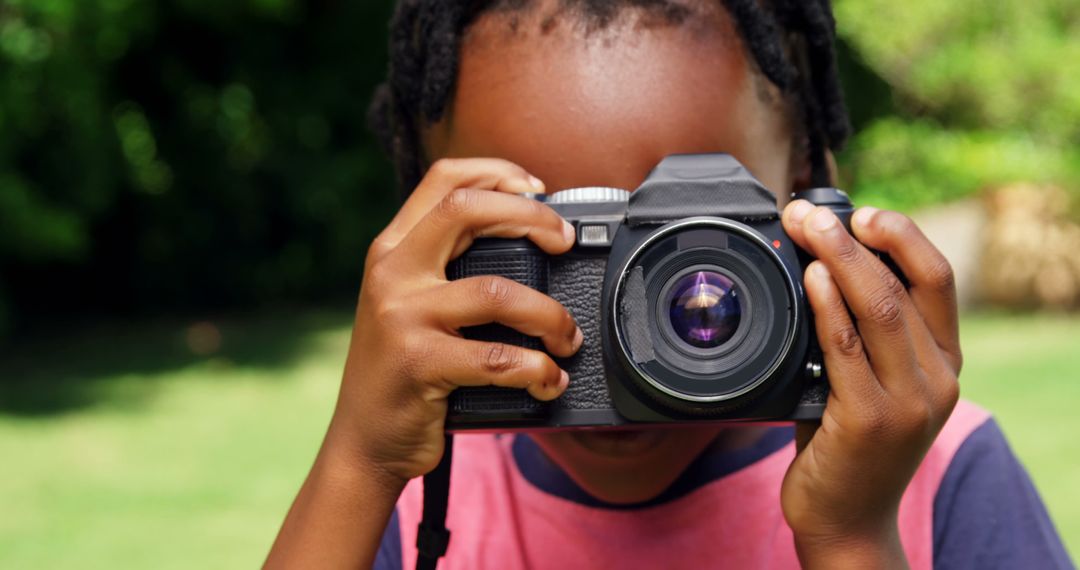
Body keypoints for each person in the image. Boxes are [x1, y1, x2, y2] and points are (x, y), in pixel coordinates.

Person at [265, 1, 1073, 568]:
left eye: (690, 260)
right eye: (541, 247)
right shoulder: (406, 493)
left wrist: (853, 535)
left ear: (808, 201)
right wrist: (359, 462)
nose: (623, 334)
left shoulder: (935, 474)